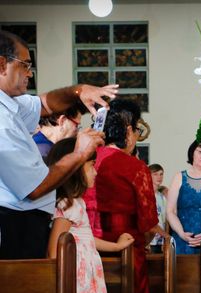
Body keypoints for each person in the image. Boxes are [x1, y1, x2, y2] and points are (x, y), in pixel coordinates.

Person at [0, 30, 117, 259]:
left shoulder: (10, 104)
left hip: (25, 221)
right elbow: (34, 188)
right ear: (2, 64)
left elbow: (45, 103)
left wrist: (79, 91)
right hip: (14, 223)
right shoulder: (2, 121)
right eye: (24, 65)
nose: (29, 74)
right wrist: (80, 153)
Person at [94, 99, 158, 293]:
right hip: (127, 245)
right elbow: (148, 219)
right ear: (130, 131)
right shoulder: (134, 167)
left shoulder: (88, 159)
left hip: (90, 245)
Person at [46, 138, 134, 293]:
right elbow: (54, 251)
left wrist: (116, 247)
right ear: (75, 168)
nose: (95, 171)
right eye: (91, 165)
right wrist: (66, 281)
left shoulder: (78, 203)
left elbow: (87, 239)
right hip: (78, 279)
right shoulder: (67, 204)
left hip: (88, 276)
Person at [148, 163, 168, 253]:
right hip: (149, 240)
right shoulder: (145, 195)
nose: (159, 177)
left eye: (161, 174)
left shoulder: (162, 197)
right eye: (155, 174)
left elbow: (164, 220)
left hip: (160, 241)